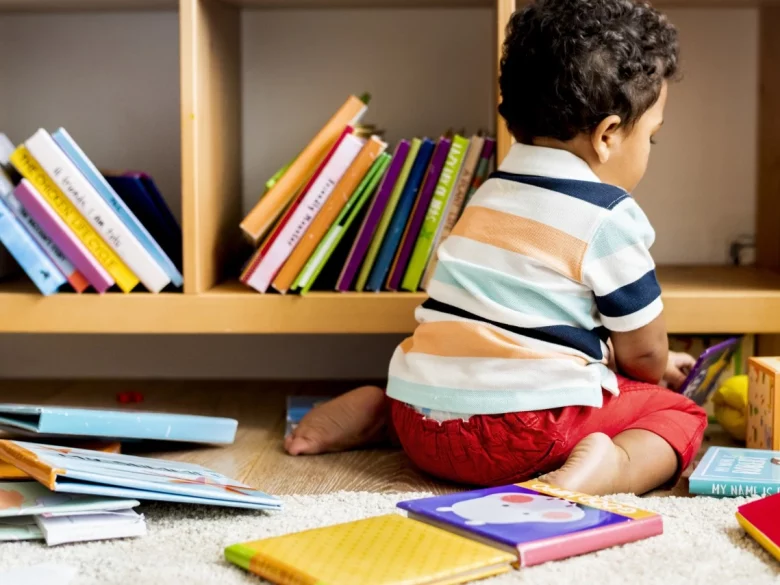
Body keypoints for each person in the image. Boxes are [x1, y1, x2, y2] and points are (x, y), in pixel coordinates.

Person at [285, 0, 708, 496]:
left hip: (422, 421)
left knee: (444, 405)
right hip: (521, 438)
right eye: (651, 138)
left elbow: (529, 325)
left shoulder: (489, 194)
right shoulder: (610, 215)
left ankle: (383, 413)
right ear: (609, 135)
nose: (650, 151)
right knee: (679, 415)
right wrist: (655, 371)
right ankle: (611, 467)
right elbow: (644, 356)